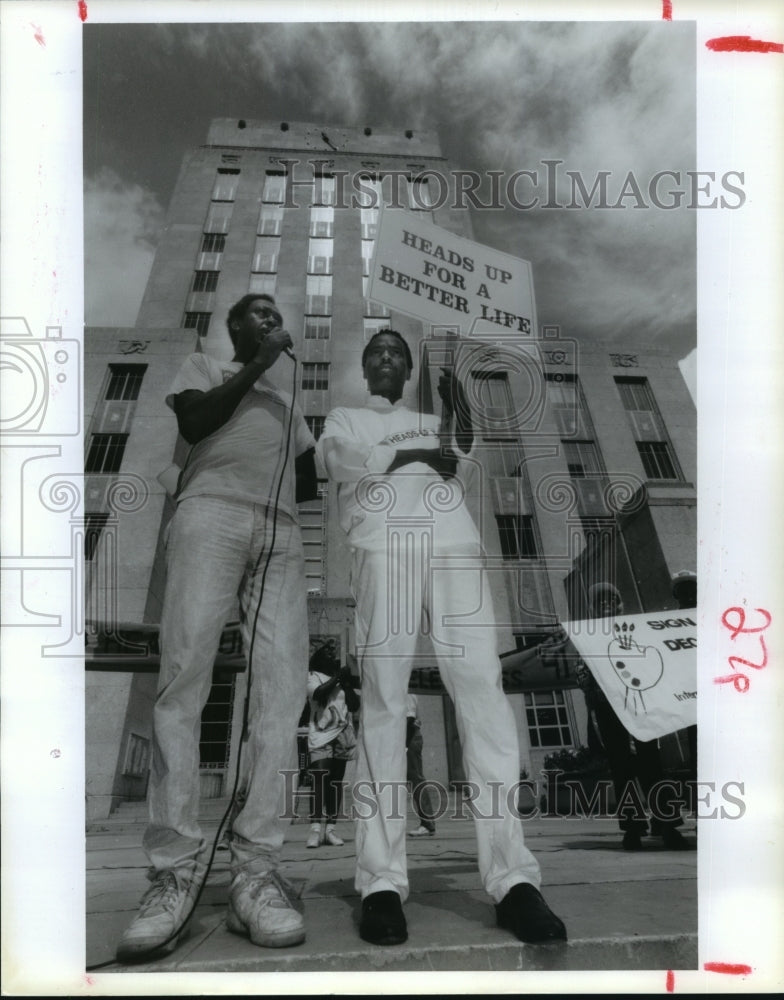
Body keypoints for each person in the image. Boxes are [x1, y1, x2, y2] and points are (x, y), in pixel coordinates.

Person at [317, 329, 566, 947]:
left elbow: (460, 462)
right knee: (382, 699)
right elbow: (338, 461)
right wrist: (404, 459)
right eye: (375, 351)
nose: (386, 359)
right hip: (383, 543)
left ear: (407, 369)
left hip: (452, 545)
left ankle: (512, 878)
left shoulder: (431, 417)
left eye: (397, 354)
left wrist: (456, 414)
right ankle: (380, 881)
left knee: (482, 690)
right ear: (366, 366)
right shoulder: (346, 416)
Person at [116, 294, 317, 961]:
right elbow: (197, 423)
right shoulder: (201, 364)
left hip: (282, 534)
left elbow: (310, 481)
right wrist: (254, 366)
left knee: (282, 693)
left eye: (271, 315)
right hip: (211, 516)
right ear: (234, 327)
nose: (268, 321)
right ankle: (173, 872)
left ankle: (255, 873)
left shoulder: (290, 407)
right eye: (255, 314)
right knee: (185, 679)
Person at [572, 582, 693, 852]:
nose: (607, 604)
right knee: (621, 768)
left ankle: (668, 825)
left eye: (612, 599)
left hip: (643, 705)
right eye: (600, 601)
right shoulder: (588, 636)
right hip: (609, 710)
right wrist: (596, 692)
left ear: (620, 604)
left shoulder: (639, 629)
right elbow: (581, 673)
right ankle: (632, 829)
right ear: (593, 608)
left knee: (653, 765)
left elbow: (658, 661)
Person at [305, 643, 360, 849]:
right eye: (327, 652)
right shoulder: (313, 676)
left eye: (333, 652)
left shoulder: (341, 681)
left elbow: (354, 705)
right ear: (318, 657)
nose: (332, 655)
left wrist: (345, 684)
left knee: (335, 783)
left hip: (343, 734)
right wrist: (338, 677)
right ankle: (315, 830)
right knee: (319, 779)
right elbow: (318, 694)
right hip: (320, 734)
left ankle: (330, 830)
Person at [671, 570, 698, 776]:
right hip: (690, 695)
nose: (689, 595)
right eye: (683, 590)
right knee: (696, 742)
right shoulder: (669, 625)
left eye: (692, 589)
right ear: (676, 595)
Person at [405, 693, 437, 837]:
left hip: (409, 738)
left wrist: (404, 745)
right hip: (405, 738)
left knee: (416, 780)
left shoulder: (407, 691)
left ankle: (427, 823)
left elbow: (409, 718)